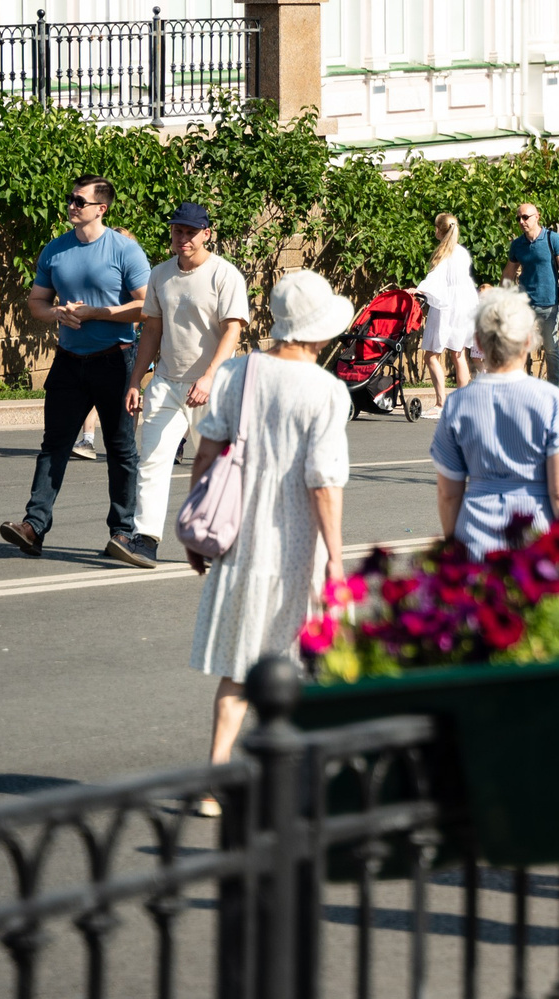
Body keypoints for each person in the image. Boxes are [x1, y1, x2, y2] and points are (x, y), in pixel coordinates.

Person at [184, 270, 354, 787]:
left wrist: (196, 526)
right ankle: (297, 779)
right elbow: (323, 484)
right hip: (297, 546)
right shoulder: (327, 391)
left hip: (240, 543)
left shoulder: (237, 373)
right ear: (318, 331)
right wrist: (337, 561)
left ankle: (217, 774)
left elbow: (207, 452)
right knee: (304, 665)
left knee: (237, 668)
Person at [3, 177, 149, 563]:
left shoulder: (124, 250)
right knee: (54, 445)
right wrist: (56, 314)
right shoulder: (55, 250)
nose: (71, 205)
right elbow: (36, 301)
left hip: (115, 360)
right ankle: (33, 527)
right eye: (69, 199)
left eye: (79, 201)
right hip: (68, 361)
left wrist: (98, 313)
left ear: (101, 208)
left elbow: (146, 307)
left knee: (121, 449)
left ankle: (122, 532)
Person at [120, 202, 249, 566]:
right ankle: (145, 539)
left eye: (191, 232)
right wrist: (136, 380)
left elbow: (233, 331)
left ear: (207, 233)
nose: (183, 239)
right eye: (178, 231)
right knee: (153, 461)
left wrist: (209, 378)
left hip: (213, 386)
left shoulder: (224, 275)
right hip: (165, 383)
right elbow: (152, 330)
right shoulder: (160, 274)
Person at [429, 288, 559, 555]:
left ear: (478, 342)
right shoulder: (551, 400)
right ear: (528, 340)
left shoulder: (457, 403)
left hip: (476, 539)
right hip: (537, 540)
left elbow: (448, 493)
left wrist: (454, 546)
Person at [502, 201, 559, 386]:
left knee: (551, 347)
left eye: (525, 217)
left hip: (548, 304)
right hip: (524, 304)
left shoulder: (553, 239)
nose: (521, 221)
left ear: (537, 216)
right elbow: (509, 273)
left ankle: (554, 389)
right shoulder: (518, 245)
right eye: (518, 218)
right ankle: (519, 387)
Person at [415, 212, 478, 409]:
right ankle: (462, 403)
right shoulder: (461, 252)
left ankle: (441, 403)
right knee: (458, 354)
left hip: (447, 305)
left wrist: (419, 289)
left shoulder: (443, 253)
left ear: (439, 230)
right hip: (465, 304)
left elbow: (436, 278)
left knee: (431, 355)